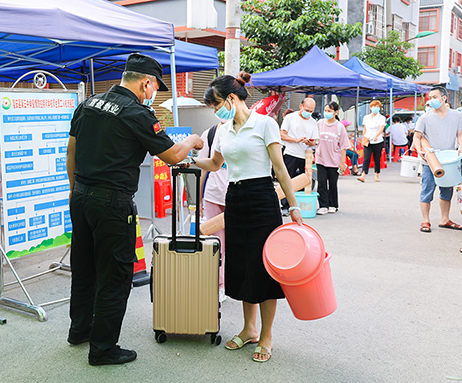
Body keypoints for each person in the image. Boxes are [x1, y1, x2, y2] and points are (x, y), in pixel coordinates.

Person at [66, 53, 203, 366]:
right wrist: (193, 139)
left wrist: (78, 191)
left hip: (81, 197)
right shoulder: (137, 113)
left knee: (85, 267)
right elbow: (170, 155)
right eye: (154, 87)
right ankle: (102, 348)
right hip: (112, 205)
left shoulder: (88, 103)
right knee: (115, 274)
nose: (153, 92)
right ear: (146, 83)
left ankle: (80, 330)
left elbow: (71, 151)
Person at [194, 72, 303, 363]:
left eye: (215, 104)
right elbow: (216, 164)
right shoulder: (223, 129)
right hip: (236, 197)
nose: (215, 111)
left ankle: (266, 335)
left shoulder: (265, 124)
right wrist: (187, 157)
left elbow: (280, 169)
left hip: (262, 197)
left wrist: (293, 207)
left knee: (264, 267)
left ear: (231, 98)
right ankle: (249, 329)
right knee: (241, 265)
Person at [411, 86, 462, 233]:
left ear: (444, 98)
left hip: (449, 160)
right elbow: (417, 136)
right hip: (430, 160)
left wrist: (460, 146)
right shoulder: (425, 117)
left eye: (434, 97)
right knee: (427, 189)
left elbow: (460, 134)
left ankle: (444, 219)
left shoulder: (457, 116)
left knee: (447, 191)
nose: (431, 100)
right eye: (430, 98)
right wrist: (419, 149)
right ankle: (425, 220)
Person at [197, 123, 228, 302]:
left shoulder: (246, 130)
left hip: (237, 196)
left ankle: (233, 282)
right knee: (217, 244)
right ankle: (219, 285)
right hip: (213, 195)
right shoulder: (210, 133)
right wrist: (198, 197)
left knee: (236, 243)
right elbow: (203, 168)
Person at [279, 98, 318, 215]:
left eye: (311, 111)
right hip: (290, 153)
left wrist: (311, 143)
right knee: (287, 180)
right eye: (307, 110)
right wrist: (296, 140)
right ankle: (285, 205)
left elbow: (315, 141)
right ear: (301, 106)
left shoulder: (313, 122)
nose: (309, 113)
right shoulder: (290, 118)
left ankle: (299, 205)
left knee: (304, 181)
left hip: (305, 155)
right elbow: (282, 134)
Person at [315, 101, 351, 215]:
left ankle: (333, 205)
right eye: (325, 110)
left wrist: (342, 163)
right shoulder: (320, 123)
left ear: (335, 112)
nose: (327, 113)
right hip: (321, 158)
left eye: (329, 111)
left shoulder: (340, 126)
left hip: (334, 160)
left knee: (332, 183)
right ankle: (323, 205)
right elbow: (315, 139)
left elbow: (344, 147)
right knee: (321, 183)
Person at [357, 100, 386, 183]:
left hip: (378, 141)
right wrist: (363, 138)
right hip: (368, 140)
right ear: (370, 108)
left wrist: (376, 136)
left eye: (377, 107)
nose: (375, 108)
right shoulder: (366, 117)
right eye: (374, 106)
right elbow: (365, 129)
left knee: (377, 158)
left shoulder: (381, 118)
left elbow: (381, 128)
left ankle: (377, 174)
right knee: (366, 158)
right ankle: (363, 174)